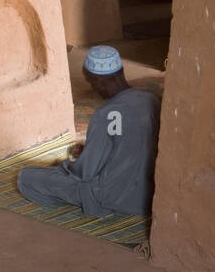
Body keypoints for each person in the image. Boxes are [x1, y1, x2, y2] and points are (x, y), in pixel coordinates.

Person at [17, 46, 160, 217]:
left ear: (99, 80)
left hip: (113, 196)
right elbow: (129, 142)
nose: (94, 89)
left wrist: (64, 166)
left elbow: (85, 172)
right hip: (149, 193)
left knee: (26, 178)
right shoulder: (151, 99)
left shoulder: (105, 114)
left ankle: (84, 203)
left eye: (92, 83)